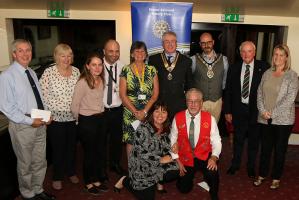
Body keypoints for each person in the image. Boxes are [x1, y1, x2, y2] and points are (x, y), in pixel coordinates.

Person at [0, 39, 55, 200]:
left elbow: (37, 98)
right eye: (21, 50)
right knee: (25, 164)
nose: (25, 54)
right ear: (14, 54)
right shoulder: (7, 76)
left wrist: (46, 115)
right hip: (22, 126)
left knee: (40, 161)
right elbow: (6, 108)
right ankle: (27, 194)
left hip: (39, 123)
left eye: (28, 50)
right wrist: (31, 121)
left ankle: (38, 190)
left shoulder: (30, 72)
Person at [253, 44, 299, 189]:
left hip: (283, 120)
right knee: (265, 149)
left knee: (280, 150)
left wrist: (272, 113)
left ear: (286, 57)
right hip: (265, 118)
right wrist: (262, 111)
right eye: (275, 54)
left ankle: (276, 177)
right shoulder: (267, 73)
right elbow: (259, 93)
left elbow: (290, 99)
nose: (277, 57)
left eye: (281, 55)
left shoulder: (292, 76)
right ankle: (262, 174)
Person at [113, 101, 179, 200]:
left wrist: (174, 146)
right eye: (157, 111)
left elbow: (166, 146)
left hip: (155, 165)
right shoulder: (143, 128)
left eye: (164, 112)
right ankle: (126, 180)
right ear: (151, 113)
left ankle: (157, 181)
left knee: (176, 169)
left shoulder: (166, 128)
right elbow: (141, 154)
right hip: (141, 166)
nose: (160, 115)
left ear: (168, 114)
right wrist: (161, 160)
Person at [224, 41, 270, 178]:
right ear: (240, 53)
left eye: (249, 51)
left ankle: (250, 167)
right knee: (238, 140)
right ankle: (235, 164)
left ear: (254, 52)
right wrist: (227, 111)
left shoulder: (264, 67)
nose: (246, 54)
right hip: (238, 110)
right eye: (243, 51)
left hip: (256, 111)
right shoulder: (234, 68)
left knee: (254, 142)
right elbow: (228, 91)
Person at [39, 43, 80, 190]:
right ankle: (57, 176)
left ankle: (70, 172)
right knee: (58, 148)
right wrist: (45, 116)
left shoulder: (76, 71)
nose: (66, 58)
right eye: (63, 55)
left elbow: (80, 93)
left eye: (69, 55)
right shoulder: (49, 72)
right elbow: (41, 95)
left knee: (71, 147)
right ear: (56, 56)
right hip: (55, 118)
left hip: (73, 117)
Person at [170, 88, 222, 200]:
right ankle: (187, 178)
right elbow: (172, 139)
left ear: (201, 102)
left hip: (204, 155)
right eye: (190, 101)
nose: (193, 104)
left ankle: (214, 194)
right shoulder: (178, 117)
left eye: (196, 101)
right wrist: (177, 160)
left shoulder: (210, 119)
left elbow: (217, 140)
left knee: (212, 173)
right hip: (185, 156)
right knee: (184, 189)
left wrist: (214, 157)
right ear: (186, 102)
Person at [71, 52, 108, 196]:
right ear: (87, 66)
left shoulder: (101, 80)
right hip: (87, 121)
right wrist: (80, 122)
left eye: (100, 65)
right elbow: (74, 105)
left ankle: (97, 179)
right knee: (89, 154)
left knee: (100, 152)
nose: (97, 68)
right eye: (94, 65)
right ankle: (88, 182)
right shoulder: (82, 82)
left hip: (100, 119)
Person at [119, 41, 159, 156]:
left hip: (148, 111)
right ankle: (132, 170)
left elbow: (155, 94)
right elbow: (122, 94)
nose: (140, 53)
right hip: (130, 112)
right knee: (131, 141)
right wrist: (136, 112)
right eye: (137, 51)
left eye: (142, 51)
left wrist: (145, 111)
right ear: (132, 54)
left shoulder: (152, 70)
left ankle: (146, 168)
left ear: (146, 54)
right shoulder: (125, 70)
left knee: (148, 140)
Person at [148, 31, 193, 120]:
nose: (170, 44)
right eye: (167, 41)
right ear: (162, 44)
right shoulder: (153, 60)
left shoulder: (186, 60)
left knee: (178, 131)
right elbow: (150, 84)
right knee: (160, 131)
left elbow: (190, 84)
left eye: (173, 41)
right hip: (160, 104)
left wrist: (189, 102)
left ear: (176, 43)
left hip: (179, 104)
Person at [191, 32, 229, 122]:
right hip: (199, 102)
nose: (206, 45)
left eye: (209, 42)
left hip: (217, 101)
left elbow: (224, 81)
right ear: (200, 44)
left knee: (213, 128)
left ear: (213, 42)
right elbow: (190, 80)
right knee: (199, 128)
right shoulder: (193, 59)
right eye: (203, 43)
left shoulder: (223, 59)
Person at [102, 39, 125, 177]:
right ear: (104, 51)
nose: (114, 54)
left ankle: (115, 164)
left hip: (118, 110)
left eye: (117, 51)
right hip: (101, 111)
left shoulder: (124, 67)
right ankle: (101, 167)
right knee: (101, 141)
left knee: (117, 140)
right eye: (110, 51)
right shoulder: (97, 66)